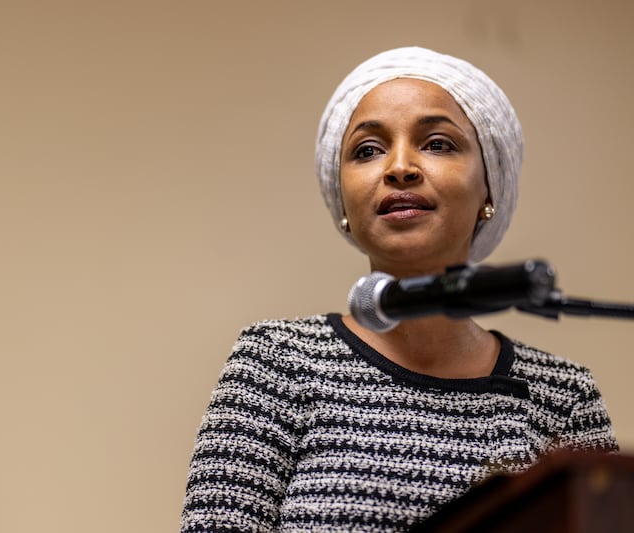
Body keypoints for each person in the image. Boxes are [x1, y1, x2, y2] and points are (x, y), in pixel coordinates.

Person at [180, 46, 618, 533]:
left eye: (438, 144)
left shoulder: (562, 396)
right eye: (368, 150)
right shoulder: (278, 361)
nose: (400, 167)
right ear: (343, 201)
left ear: (489, 187)